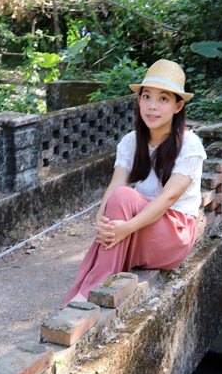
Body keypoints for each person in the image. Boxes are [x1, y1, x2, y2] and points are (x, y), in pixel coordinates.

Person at [62, 59, 206, 308]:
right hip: (141, 222)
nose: (152, 106)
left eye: (163, 99)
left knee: (123, 199)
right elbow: (115, 185)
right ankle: (91, 293)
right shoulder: (131, 142)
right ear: (138, 100)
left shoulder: (189, 145)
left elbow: (168, 199)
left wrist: (126, 228)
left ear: (178, 105)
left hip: (174, 233)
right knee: (119, 197)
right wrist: (101, 221)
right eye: (146, 97)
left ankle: (87, 294)